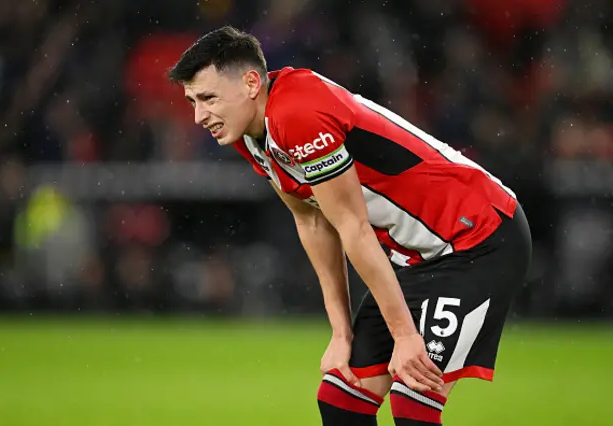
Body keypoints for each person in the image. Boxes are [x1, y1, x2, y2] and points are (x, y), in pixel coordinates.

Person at [167, 26, 532, 426]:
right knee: (342, 401)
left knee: (414, 401)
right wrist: (341, 332)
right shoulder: (252, 133)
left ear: (252, 83)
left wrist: (406, 337)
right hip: (418, 257)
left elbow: (353, 227)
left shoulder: (297, 114)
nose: (199, 116)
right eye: (192, 102)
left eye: (208, 98)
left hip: (478, 237)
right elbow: (311, 219)